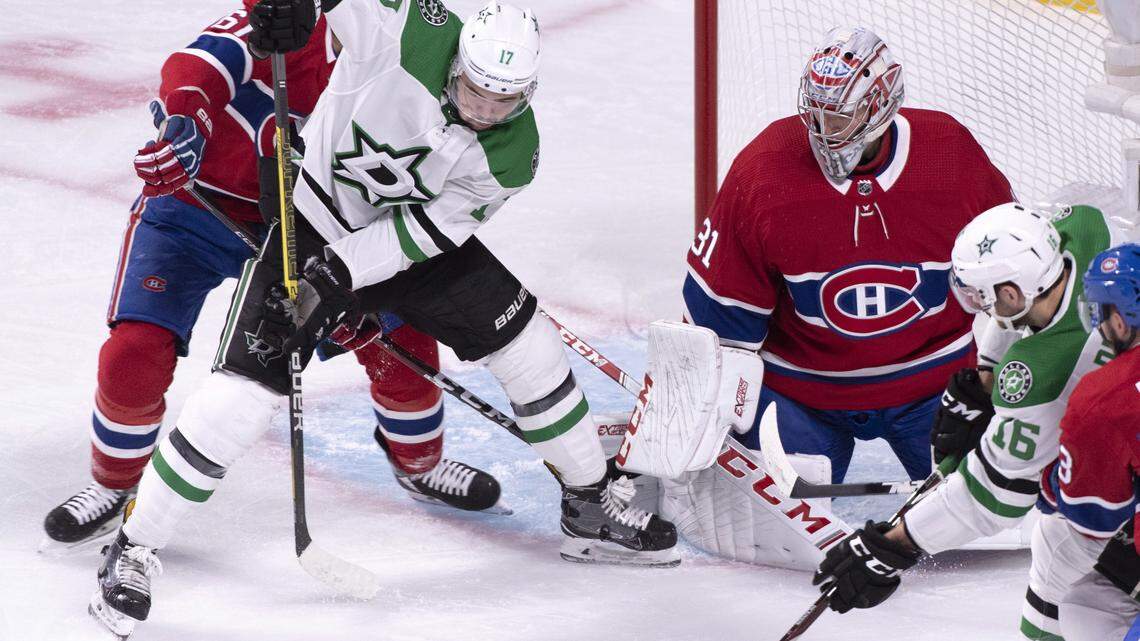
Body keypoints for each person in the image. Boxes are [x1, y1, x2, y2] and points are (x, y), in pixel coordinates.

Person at [88, 1, 677, 637]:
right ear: (458, 62)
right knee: (243, 396)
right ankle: (135, 546)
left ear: (528, 93)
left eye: (502, 103)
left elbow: (424, 231)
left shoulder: (515, 156)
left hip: (402, 241)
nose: (483, 110)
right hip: (309, 222)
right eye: (474, 90)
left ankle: (588, 502)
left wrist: (339, 275)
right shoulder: (407, 32)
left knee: (527, 341)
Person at [40, 2, 509, 556]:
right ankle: (115, 483)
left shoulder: (402, 56)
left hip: (313, 225)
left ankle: (419, 463)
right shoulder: (280, 23)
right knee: (135, 350)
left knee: (398, 335)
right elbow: (199, 66)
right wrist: (184, 122)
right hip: (201, 209)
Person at [667, 26, 1013, 568]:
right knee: (769, 537)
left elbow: (1009, 287)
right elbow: (716, 323)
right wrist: (700, 411)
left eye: (839, 118)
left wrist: (1001, 384)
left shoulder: (951, 154)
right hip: (804, 394)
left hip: (936, 386)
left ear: (879, 108)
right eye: (816, 114)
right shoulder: (763, 170)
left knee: (991, 523)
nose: (821, 133)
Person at [812, 204, 1128, 640]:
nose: (980, 306)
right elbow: (1023, 308)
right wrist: (987, 377)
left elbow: (995, 496)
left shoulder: (1045, 377)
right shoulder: (1085, 234)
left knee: (1057, 545)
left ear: (1013, 292)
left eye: (984, 295)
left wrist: (897, 545)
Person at [1044, 243, 1140, 641]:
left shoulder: (1104, 396)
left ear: (1120, 320)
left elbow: (1094, 517)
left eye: (1101, 313)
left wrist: (1051, 482)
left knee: (1086, 610)